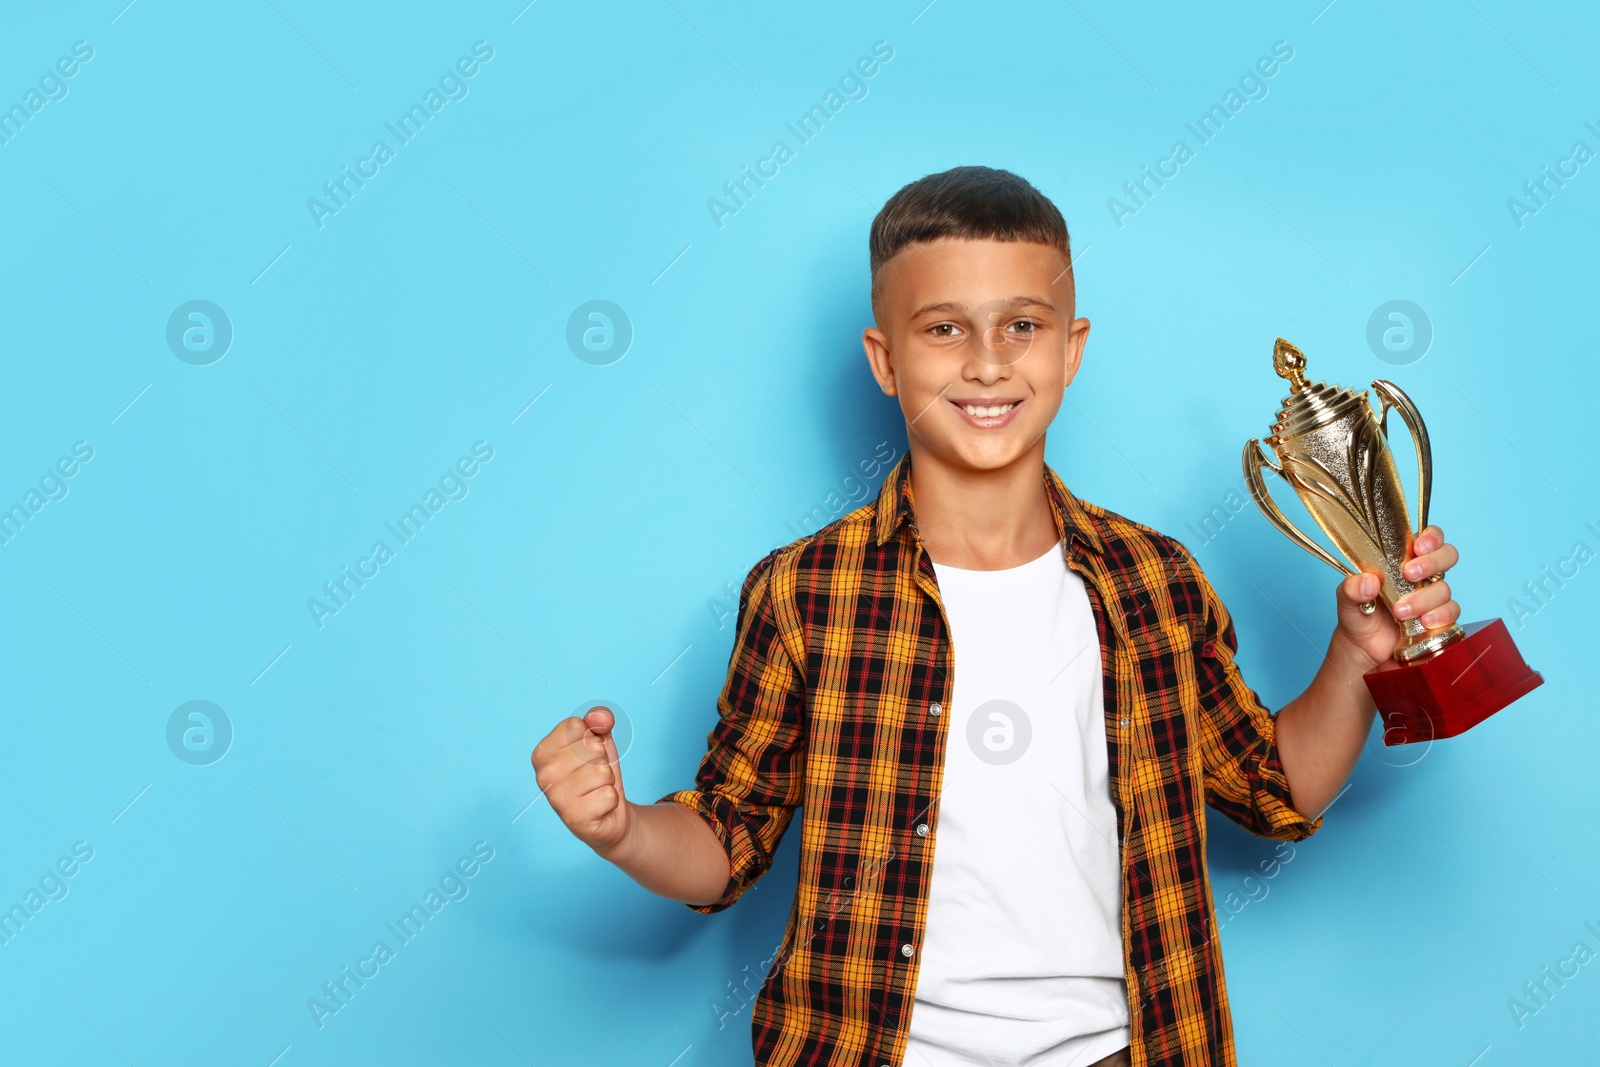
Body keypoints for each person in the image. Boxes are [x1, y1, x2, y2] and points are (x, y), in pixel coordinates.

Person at [530, 165, 1462, 1067]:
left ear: (1072, 347)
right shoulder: (806, 592)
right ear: (885, 360)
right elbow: (727, 842)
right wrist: (623, 830)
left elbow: (1276, 787)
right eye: (944, 329)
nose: (986, 363)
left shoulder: (1156, 581)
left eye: (1023, 325)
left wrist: (1355, 655)